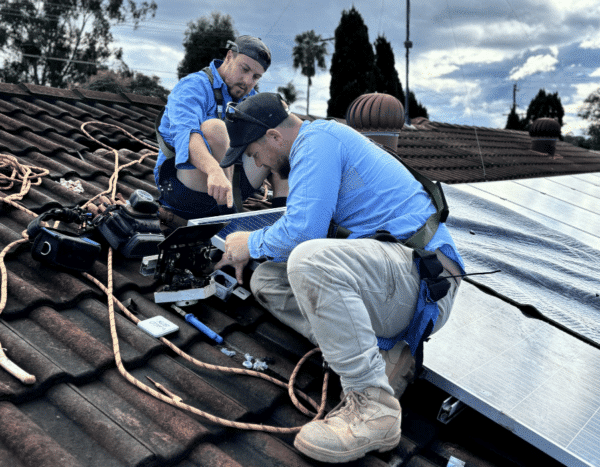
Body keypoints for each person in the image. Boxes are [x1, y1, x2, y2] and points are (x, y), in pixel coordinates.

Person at [214, 93, 465, 463]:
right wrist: (259, 249)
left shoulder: (317, 142)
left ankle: (373, 409)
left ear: (273, 137)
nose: (257, 162)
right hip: (398, 278)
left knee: (308, 260)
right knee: (267, 280)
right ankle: (379, 352)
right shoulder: (317, 144)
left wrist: (247, 243)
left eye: (253, 153)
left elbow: (303, 233)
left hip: (424, 281)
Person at [153, 35, 287, 220]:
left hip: (230, 187)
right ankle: (229, 218)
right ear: (229, 57)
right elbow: (187, 135)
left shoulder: (251, 99)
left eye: (255, 77)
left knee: (279, 139)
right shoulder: (193, 86)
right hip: (182, 188)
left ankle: (284, 218)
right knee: (215, 128)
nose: (248, 81)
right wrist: (214, 171)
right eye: (245, 69)